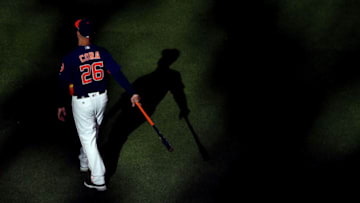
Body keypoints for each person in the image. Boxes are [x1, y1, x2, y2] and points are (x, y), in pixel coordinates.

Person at [57, 18, 140, 191]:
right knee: (92, 134)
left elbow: (63, 83)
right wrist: (132, 92)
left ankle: (98, 177)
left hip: (83, 102)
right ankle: (84, 160)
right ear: (91, 34)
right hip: (102, 99)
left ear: (78, 32)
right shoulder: (102, 52)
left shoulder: (71, 57)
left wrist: (60, 105)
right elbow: (117, 73)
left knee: (88, 138)